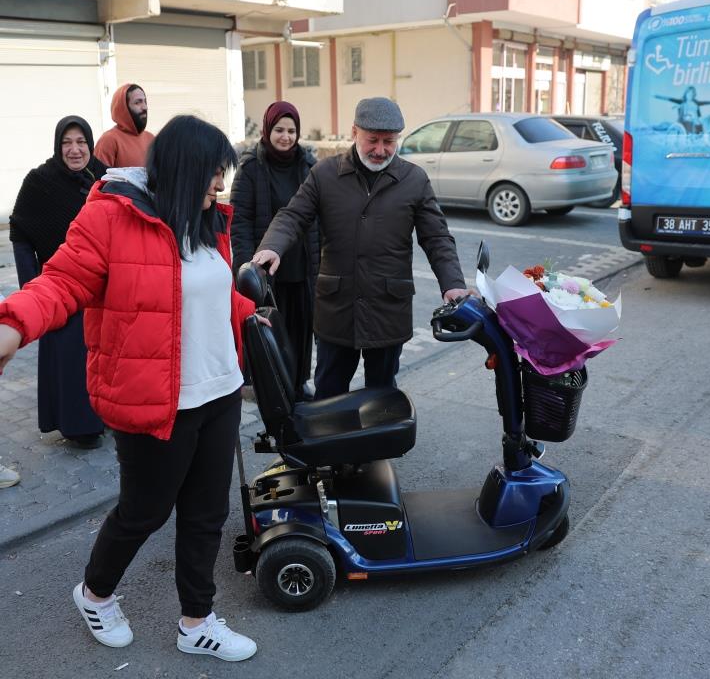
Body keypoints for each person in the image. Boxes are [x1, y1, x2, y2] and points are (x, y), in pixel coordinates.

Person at [0, 115, 259, 662]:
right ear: (184, 170)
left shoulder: (205, 220)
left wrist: (247, 312)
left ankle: (197, 621)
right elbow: (62, 281)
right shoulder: (110, 217)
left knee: (206, 514)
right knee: (144, 511)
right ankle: (94, 593)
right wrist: (13, 323)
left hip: (219, 391)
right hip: (153, 399)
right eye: (214, 174)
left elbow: (199, 294)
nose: (220, 185)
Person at [252, 97, 469, 399]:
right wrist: (273, 246)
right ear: (354, 132)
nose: (380, 150)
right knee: (328, 392)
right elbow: (293, 215)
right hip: (336, 309)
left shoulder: (414, 179)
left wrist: (453, 284)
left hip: (387, 308)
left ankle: (377, 445)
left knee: (382, 396)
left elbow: (437, 238)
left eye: (389, 142)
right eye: (372, 140)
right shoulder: (325, 174)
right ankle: (329, 446)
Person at [9, 115, 107, 448]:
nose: (75, 150)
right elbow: (20, 232)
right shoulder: (40, 181)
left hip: (102, 287)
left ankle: (106, 417)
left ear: (90, 145)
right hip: (60, 287)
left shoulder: (104, 178)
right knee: (69, 359)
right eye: (67, 143)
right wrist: (30, 285)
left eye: (81, 142)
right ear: (57, 145)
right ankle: (77, 426)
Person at [230, 101, 319, 401]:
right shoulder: (251, 167)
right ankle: (272, 385)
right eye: (279, 129)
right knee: (270, 329)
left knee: (301, 328)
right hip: (264, 268)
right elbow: (240, 221)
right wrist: (245, 269)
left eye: (292, 130)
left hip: (301, 265)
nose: (285, 136)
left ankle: (298, 381)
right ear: (268, 130)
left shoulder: (308, 166)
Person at [94, 83, 154, 167]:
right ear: (123, 108)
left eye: (145, 101)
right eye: (137, 102)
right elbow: (100, 177)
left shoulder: (151, 138)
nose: (145, 107)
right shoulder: (108, 140)